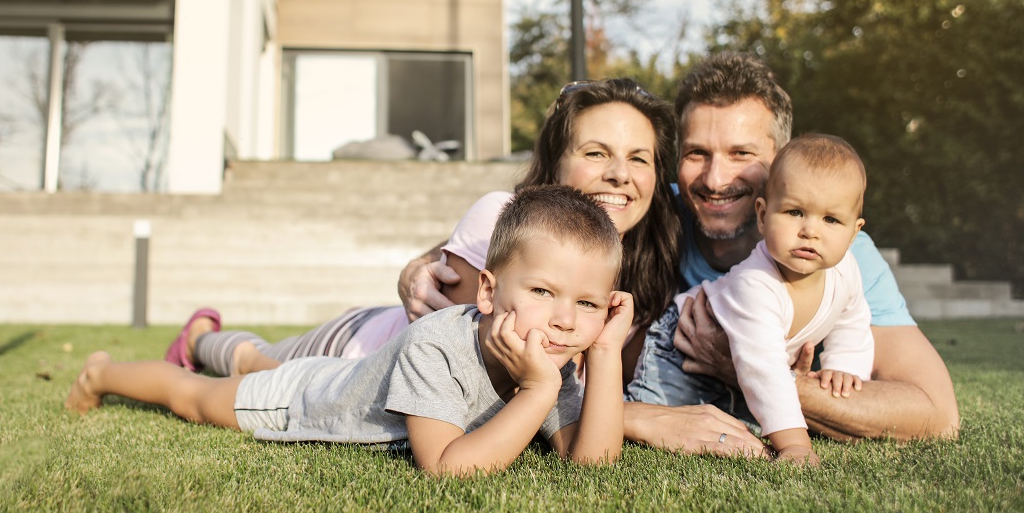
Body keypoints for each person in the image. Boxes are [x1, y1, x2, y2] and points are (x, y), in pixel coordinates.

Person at [67, 186, 633, 477]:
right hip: (308, 399)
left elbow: (591, 463)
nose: (565, 319)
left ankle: (212, 347)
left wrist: (605, 352)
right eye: (542, 291)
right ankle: (102, 372)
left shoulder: (554, 358)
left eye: (587, 304)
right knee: (193, 398)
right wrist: (537, 392)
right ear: (487, 291)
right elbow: (447, 469)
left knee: (237, 374)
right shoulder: (439, 342)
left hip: (349, 374)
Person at [164, 79, 684, 393]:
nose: (620, 174)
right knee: (255, 365)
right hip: (355, 355)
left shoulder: (649, 254)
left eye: (638, 158)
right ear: (554, 161)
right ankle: (197, 339)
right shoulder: (500, 216)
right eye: (595, 153)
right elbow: (486, 376)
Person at [636, 51, 960, 448]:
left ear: (781, 160)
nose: (716, 178)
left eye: (742, 153)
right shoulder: (650, 216)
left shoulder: (846, 256)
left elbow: (936, 412)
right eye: (696, 153)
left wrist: (752, 370)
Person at [627, 134, 875, 466]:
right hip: (679, 347)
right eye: (794, 212)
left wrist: (844, 365)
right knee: (657, 417)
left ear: (854, 232)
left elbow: (853, 316)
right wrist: (795, 445)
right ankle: (597, 409)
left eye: (831, 219)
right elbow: (763, 369)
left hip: (735, 366)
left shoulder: (846, 270)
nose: (810, 231)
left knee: (740, 428)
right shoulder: (757, 284)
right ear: (763, 215)